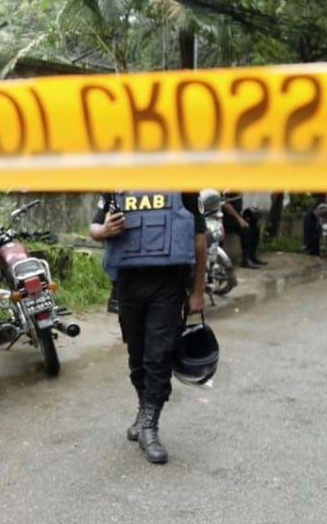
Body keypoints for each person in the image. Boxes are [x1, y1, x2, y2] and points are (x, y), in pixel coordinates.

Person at [90, 191, 206, 464]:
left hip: (167, 283)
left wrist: (198, 291)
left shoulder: (183, 184)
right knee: (137, 353)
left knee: (159, 354)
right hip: (128, 283)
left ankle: (150, 427)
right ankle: (144, 410)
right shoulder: (116, 183)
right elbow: (94, 226)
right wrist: (104, 229)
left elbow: (199, 241)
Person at [221, 190, 265, 268]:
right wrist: (239, 218)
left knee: (255, 227)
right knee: (246, 229)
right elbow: (225, 205)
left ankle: (252, 256)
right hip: (227, 217)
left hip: (237, 215)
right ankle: (246, 260)